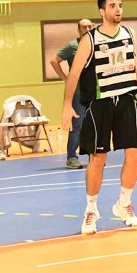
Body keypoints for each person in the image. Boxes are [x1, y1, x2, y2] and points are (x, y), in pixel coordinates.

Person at [60, 0, 137, 234]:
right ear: (102, 11)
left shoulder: (129, 33)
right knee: (98, 159)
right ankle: (91, 211)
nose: (118, 9)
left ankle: (124, 204)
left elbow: (134, 67)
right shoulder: (89, 40)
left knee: (134, 154)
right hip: (99, 104)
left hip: (126, 100)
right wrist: (67, 106)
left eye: (120, 5)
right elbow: (74, 74)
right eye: (112, 5)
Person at [50, 19, 94, 169]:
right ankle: (71, 157)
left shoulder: (96, 44)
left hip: (94, 92)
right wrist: (65, 78)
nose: (87, 29)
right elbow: (54, 61)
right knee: (77, 125)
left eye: (90, 26)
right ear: (78, 29)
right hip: (78, 93)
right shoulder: (72, 46)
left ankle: (92, 156)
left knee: (93, 125)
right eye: (84, 27)